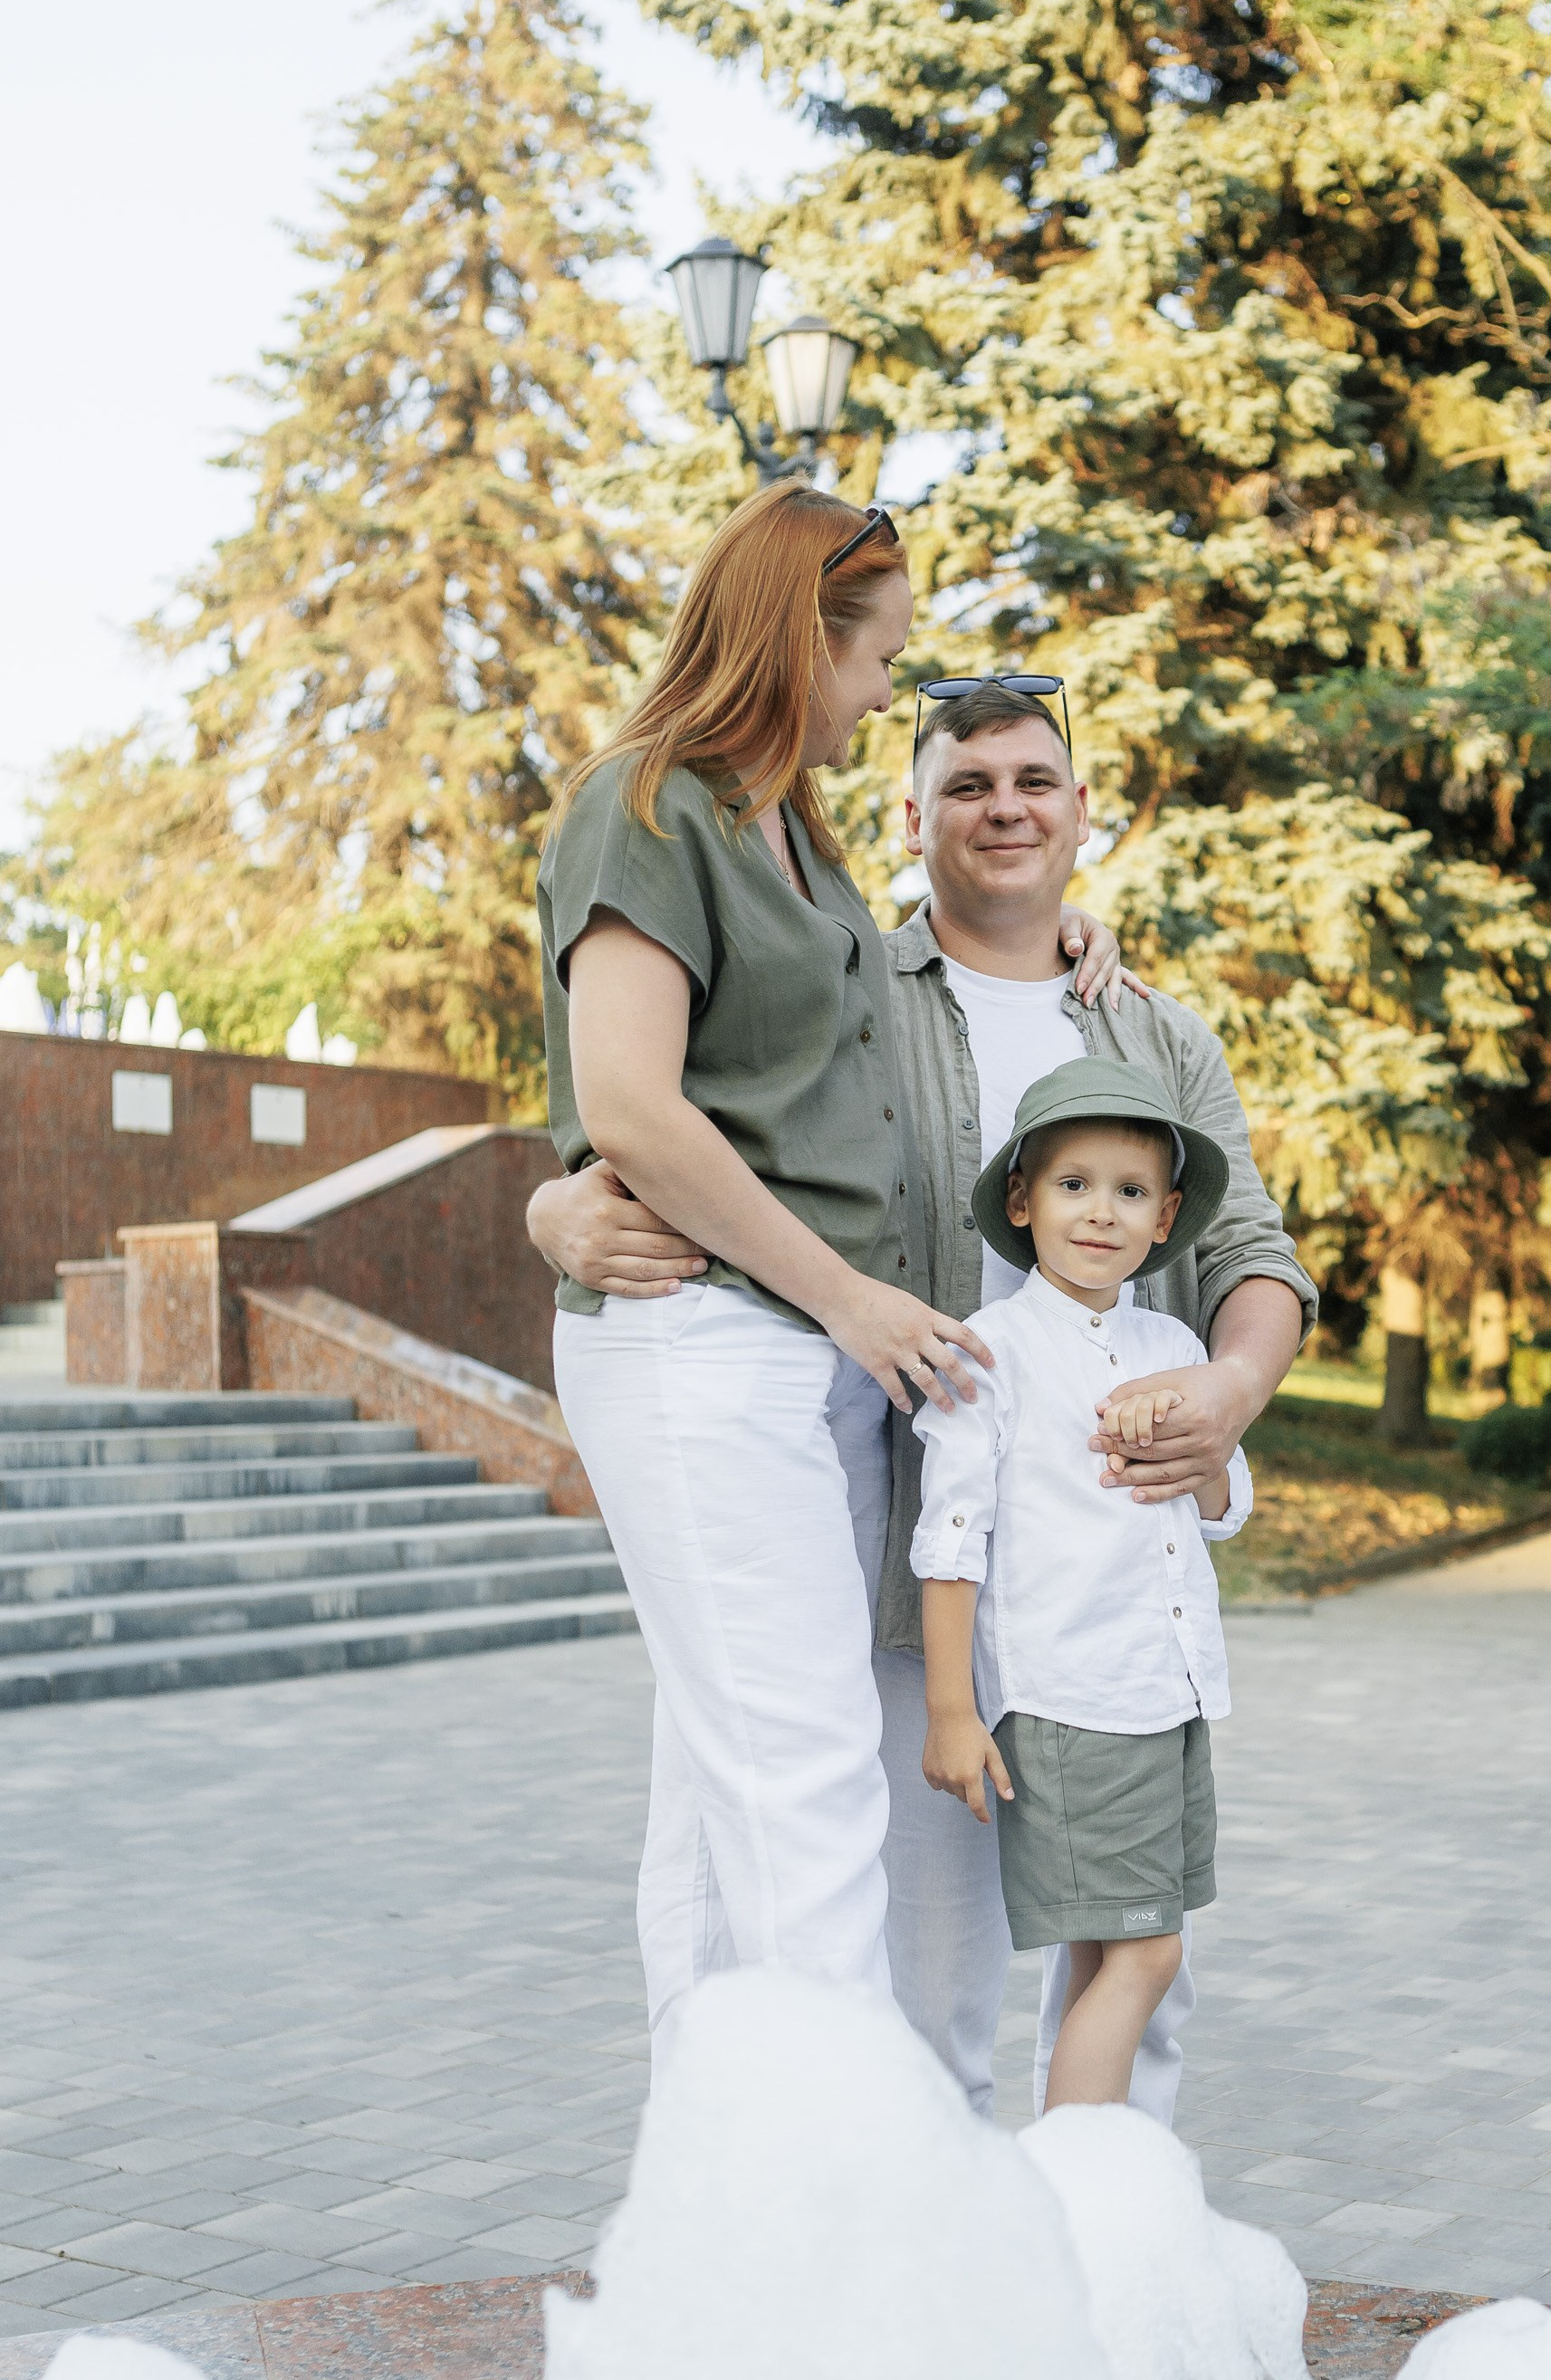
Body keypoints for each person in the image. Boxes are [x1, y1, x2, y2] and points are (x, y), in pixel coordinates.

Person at [530, 676, 1316, 2112]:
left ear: (1085, 813)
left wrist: (1232, 1387)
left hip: (1107, 1599)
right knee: (919, 1975)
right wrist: (554, 1205)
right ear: (908, 817)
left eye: (1034, 779)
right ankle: (936, 2289)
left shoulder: (1156, 1034)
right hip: (907, 1579)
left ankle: (1106, 2276)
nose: (1004, 807)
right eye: (966, 784)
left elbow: (1251, 1256)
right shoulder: (842, 994)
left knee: (1136, 1964)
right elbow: (670, 1117)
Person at [533, 490, 1130, 2074]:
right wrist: (851, 1298)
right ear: (800, 634)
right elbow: (631, 1104)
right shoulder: (645, 805)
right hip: (701, 1344)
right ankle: (857, 2232)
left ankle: (716, 2208)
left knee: (716, 1795)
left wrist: (1063, 922)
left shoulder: (790, 834)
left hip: (805, 1365)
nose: (885, 697)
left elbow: (866, 1041)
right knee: (798, 1782)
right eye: (878, 658)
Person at [913, 1060, 1250, 2105]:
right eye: (1073, 1185)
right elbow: (952, 1537)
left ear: (1165, 1218)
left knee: (1128, 1955)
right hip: (1072, 1704)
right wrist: (949, 1712)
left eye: (1130, 1192)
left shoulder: (1173, 1345)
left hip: (1166, 1692)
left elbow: (1226, 1503)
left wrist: (1184, 1437)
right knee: (1146, 1956)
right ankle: (1077, 2191)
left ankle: (1086, 2202)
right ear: (1022, 1201)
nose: (1100, 1211)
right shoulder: (992, 1353)